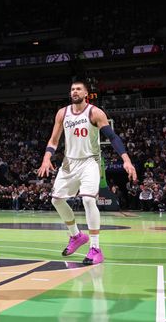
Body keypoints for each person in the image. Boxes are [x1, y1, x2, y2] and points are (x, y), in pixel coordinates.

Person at [36, 80, 138, 265]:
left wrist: (126, 160)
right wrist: (46, 157)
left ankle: (95, 248)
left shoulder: (95, 112)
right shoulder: (62, 113)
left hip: (90, 161)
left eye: (78, 89)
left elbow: (112, 137)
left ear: (86, 94)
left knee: (88, 199)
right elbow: (53, 140)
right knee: (56, 200)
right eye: (72, 89)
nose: (74, 91)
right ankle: (76, 236)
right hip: (69, 162)